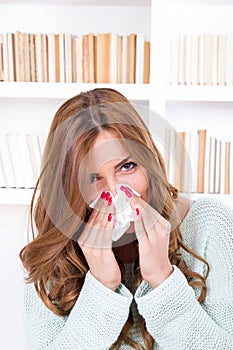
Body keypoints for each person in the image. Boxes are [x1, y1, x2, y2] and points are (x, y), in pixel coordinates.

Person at [19, 88, 233, 350]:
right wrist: (102, 285)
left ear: (148, 161)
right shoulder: (51, 254)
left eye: (127, 166)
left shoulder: (210, 225)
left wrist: (163, 278)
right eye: (91, 178)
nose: (115, 192)